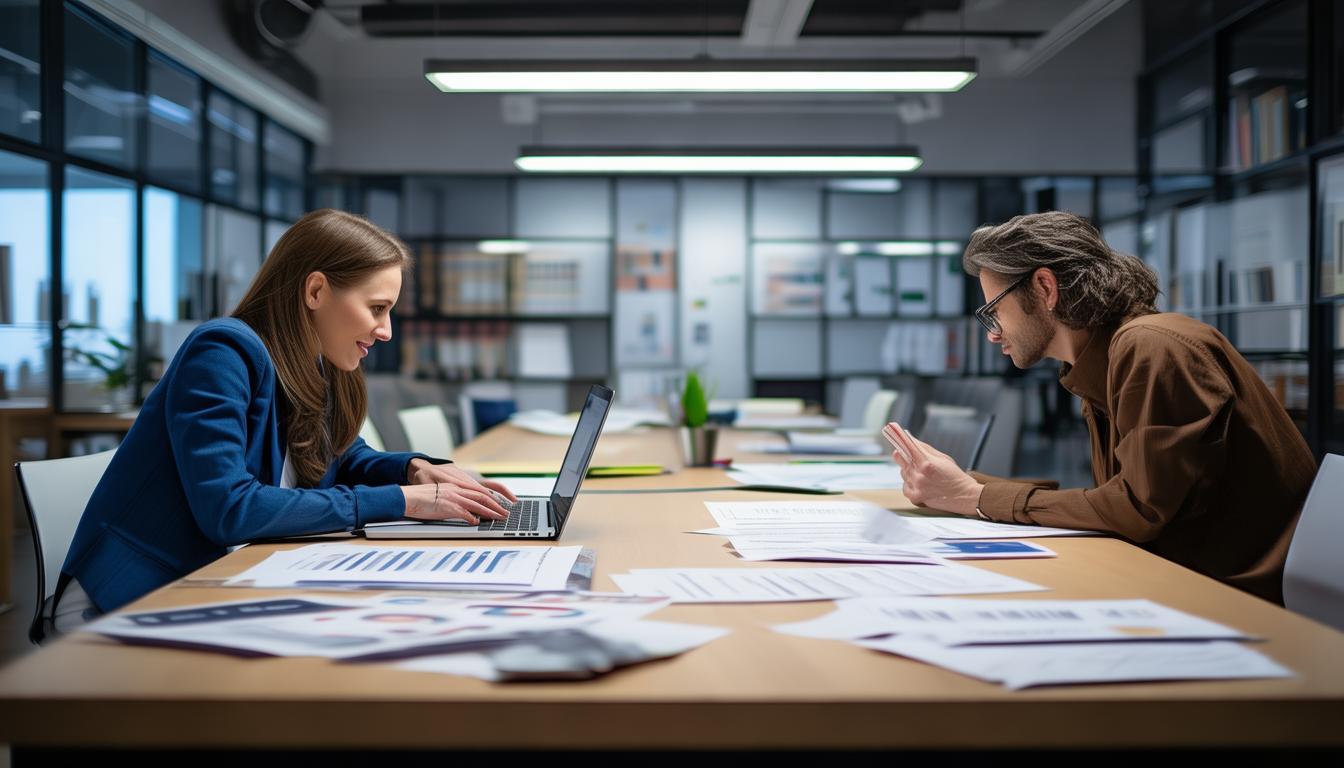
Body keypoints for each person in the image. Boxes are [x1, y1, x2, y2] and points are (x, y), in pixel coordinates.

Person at [54, 209, 517, 628]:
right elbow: (230, 510)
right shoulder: (222, 352)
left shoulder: (314, 363)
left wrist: (412, 469)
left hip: (221, 576)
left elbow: (342, 455)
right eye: (377, 308)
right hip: (129, 598)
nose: (385, 330)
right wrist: (403, 501)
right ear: (316, 290)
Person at [886, 210, 1315, 604]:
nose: (993, 334)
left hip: (1231, 600)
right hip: (1178, 580)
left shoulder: (1150, 346)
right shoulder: (1104, 360)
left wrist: (976, 496)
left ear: (1045, 288)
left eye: (994, 311)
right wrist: (967, 485)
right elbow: (1121, 505)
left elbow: (1137, 511)